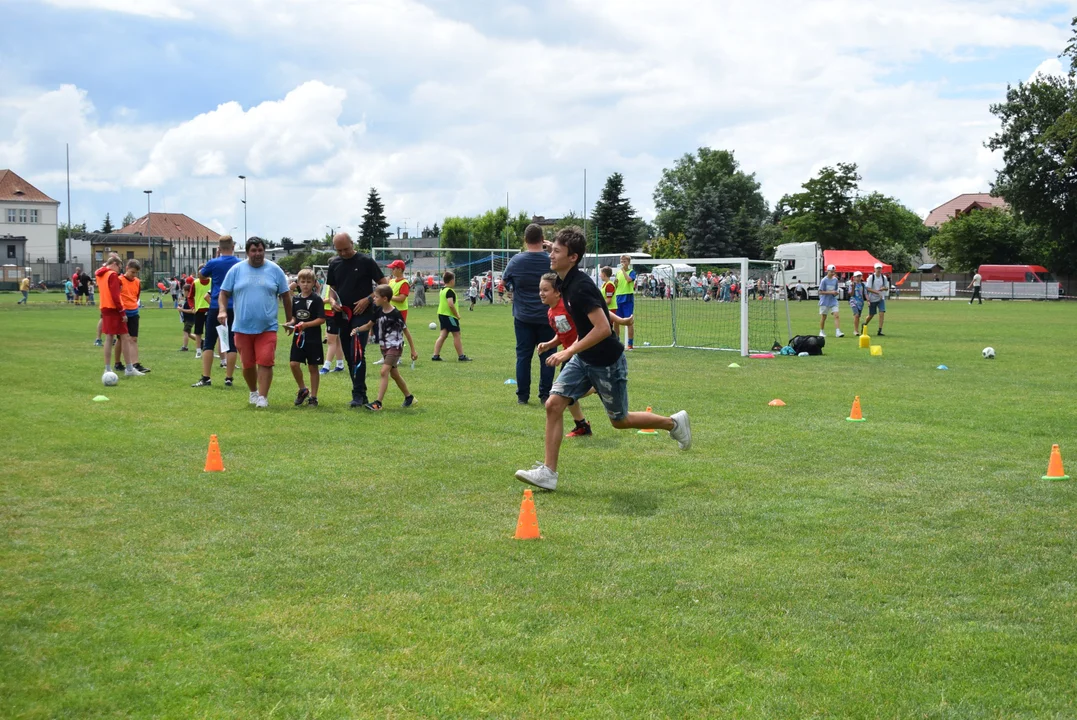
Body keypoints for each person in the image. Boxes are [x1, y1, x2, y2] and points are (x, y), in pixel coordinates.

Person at [514, 227, 691, 491]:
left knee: (620, 421)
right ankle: (548, 473)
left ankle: (674, 423)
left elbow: (603, 329)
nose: (551, 255)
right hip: (583, 358)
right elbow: (595, 316)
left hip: (607, 361)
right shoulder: (564, 280)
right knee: (553, 404)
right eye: (552, 250)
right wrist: (552, 245)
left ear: (573, 258)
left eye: (557, 252)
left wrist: (567, 350)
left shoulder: (581, 286)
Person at [537, 272, 635, 438]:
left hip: (580, 354)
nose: (541, 293)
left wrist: (621, 321)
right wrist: (549, 344)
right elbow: (562, 334)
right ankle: (581, 424)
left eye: (545, 289)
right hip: (568, 354)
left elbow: (598, 315)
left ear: (557, 292)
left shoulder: (567, 305)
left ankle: (593, 392)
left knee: (566, 393)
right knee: (563, 394)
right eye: (540, 289)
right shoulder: (551, 312)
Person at [218, 237, 292, 408]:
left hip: (267, 327)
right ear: (247, 252)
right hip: (242, 326)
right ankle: (253, 392)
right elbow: (223, 293)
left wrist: (289, 319)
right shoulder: (236, 270)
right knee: (248, 364)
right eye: (253, 251)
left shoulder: (275, 270)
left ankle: (263, 397)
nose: (257, 254)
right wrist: (222, 310)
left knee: (266, 361)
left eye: (260, 250)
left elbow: (286, 296)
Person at [325, 232, 387, 408]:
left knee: (357, 351)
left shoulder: (366, 261)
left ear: (352, 243)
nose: (343, 253)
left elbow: (384, 284)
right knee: (348, 354)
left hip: (363, 313)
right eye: (339, 250)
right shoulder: (335, 264)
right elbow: (332, 289)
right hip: (343, 315)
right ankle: (360, 392)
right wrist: (332, 300)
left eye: (346, 249)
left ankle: (358, 395)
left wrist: (368, 299)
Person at [501, 223, 555, 404]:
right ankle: (545, 395)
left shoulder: (516, 261)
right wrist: (552, 248)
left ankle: (522, 396)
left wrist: (512, 288)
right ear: (542, 239)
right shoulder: (551, 260)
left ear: (525, 240)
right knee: (548, 355)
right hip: (548, 316)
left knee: (523, 356)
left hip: (523, 316)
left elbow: (505, 281)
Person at [353, 284, 416, 410]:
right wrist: (357, 330)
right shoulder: (377, 311)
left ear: (385, 298)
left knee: (383, 371)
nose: (374, 299)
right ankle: (409, 397)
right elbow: (368, 325)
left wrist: (413, 350)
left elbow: (406, 332)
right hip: (384, 347)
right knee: (394, 374)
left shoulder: (396, 314)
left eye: (376, 297)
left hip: (395, 347)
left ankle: (378, 403)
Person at [193, 236, 241, 388]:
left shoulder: (213, 263)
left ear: (219, 248)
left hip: (215, 305)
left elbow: (202, 275)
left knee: (209, 342)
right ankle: (229, 378)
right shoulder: (239, 264)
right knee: (232, 343)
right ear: (233, 246)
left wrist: (214, 260)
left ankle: (206, 377)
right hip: (234, 306)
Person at [96, 256, 141, 377]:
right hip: (114, 309)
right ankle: (129, 369)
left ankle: (108, 368)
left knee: (111, 337)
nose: (119, 270)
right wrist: (122, 312)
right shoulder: (112, 275)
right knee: (124, 337)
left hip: (105, 307)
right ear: (115, 264)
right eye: (119, 267)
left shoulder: (100, 274)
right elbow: (116, 296)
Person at [286, 268, 325, 407]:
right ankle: (303, 389)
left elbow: (321, 319)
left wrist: (306, 325)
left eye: (309, 282)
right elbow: (294, 317)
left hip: (313, 338)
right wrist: (290, 324)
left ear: (314, 283)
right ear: (298, 283)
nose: (306, 284)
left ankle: (313, 397)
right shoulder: (295, 299)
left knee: (313, 367)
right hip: (298, 337)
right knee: (293, 364)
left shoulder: (316, 299)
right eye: (303, 282)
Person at [431, 271, 472, 362]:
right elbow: (450, 304)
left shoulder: (442, 290)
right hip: (450, 316)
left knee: (443, 335)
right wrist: (456, 315)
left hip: (441, 314)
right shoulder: (449, 291)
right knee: (457, 335)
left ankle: (435, 355)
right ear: (451, 280)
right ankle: (461, 356)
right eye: (454, 279)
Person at [119, 259, 150, 373]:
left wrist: (133, 307)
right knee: (123, 339)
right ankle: (121, 363)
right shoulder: (119, 280)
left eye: (136, 273)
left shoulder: (137, 281)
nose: (134, 275)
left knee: (134, 339)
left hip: (134, 312)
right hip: (123, 313)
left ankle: (135, 364)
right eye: (132, 272)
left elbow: (136, 296)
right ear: (126, 268)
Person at [386, 259, 419, 358]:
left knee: (398, 334)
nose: (392, 270)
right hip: (390, 310)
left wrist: (388, 297)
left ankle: (397, 357)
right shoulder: (391, 281)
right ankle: (387, 356)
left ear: (400, 269)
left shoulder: (404, 283)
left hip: (400, 311)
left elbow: (401, 298)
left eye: (393, 268)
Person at [319, 275, 347, 375]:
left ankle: (326, 366)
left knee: (331, 341)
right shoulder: (330, 282)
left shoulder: (337, 282)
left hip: (333, 313)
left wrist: (323, 300)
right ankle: (340, 364)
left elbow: (334, 298)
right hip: (329, 313)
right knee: (336, 340)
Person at [614, 255, 637, 349]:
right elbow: (617, 285)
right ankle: (617, 342)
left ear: (628, 262)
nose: (622, 262)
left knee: (629, 321)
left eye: (624, 261)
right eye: (621, 260)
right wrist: (615, 283)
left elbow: (628, 280)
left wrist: (623, 270)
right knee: (616, 321)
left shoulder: (632, 272)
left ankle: (630, 344)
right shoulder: (618, 273)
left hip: (627, 298)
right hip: (618, 297)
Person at [862, 262, 889, 336]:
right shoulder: (871, 277)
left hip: (881, 298)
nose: (878, 270)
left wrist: (884, 288)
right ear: (874, 269)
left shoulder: (884, 278)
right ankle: (865, 324)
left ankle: (880, 330)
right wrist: (877, 292)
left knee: (882, 313)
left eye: (880, 268)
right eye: (877, 268)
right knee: (871, 315)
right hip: (872, 298)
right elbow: (868, 288)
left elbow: (886, 288)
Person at [817, 264, 844, 338]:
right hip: (825, 301)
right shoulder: (824, 280)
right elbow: (820, 292)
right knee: (824, 317)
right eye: (831, 272)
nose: (833, 273)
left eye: (834, 272)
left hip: (833, 300)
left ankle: (838, 331)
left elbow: (835, 289)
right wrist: (831, 292)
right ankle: (821, 331)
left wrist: (835, 293)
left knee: (836, 315)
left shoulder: (835, 280)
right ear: (827, 271)